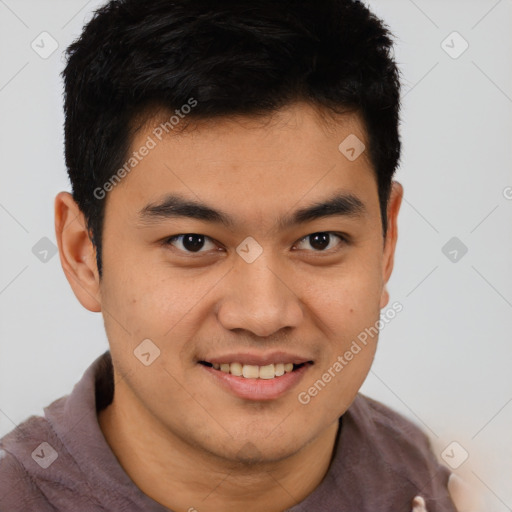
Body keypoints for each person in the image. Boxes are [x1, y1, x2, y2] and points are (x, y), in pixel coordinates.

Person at [0, 1, 467, 510]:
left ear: (386, 242)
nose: (263, 314)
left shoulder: (423, 480)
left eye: (319, 240)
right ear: (83, 254)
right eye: (193, 243)